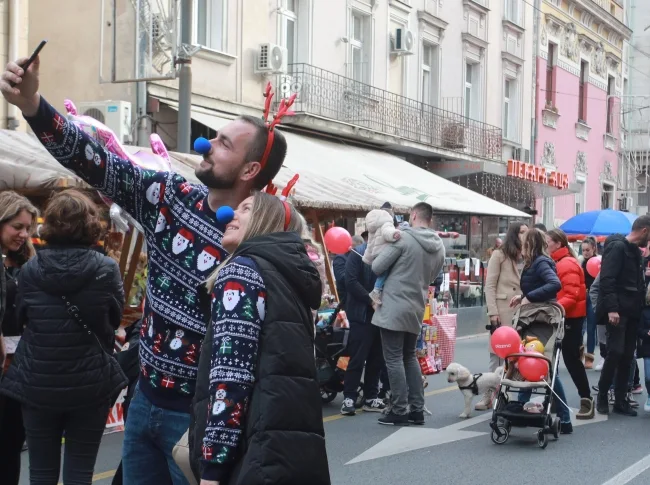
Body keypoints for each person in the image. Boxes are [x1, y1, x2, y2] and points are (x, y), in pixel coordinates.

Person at [0, 56, 288, 483]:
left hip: (196, 417)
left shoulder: (249, 240)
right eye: (216, 137)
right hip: (145, 401)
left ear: (250, 170)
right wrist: (32, 105)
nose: (208, 146)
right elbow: (93, 161)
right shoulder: (168, 195)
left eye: (225, 144)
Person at [190, 192, 330, 485]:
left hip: (252, 454)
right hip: (289, 450)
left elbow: (231, 377)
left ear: (266, 222)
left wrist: (212, 467)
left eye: (246, 209)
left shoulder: (241, 272)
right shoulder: (286, 276)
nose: (230, 215)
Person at [0, 190, 127, 485]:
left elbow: (21, 319)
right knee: (80, 474)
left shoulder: (30, 270)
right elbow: (114, 319)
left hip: (37, 381)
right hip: (90, 382)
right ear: (91, 225)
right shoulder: (106, 269)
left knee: (41, 473)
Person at [371, 202, 445, 426]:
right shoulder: (439, 246)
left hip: (394, 304)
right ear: (429, 219)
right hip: (416, 305)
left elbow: (377, 266)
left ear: (413, 215)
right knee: (409, 356)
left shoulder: (403, 238)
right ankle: (417, 409)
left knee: (393, 358)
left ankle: (400, 409)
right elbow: (433, 277)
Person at [510, 228, 573, 433]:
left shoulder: (541, 262)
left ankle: (564, 419)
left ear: (530, 244)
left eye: (524, 241)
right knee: (527, 362)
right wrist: (522, 297)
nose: (521, 245)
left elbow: (554, 284)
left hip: (543, 321)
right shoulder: (533, 263)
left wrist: (529, 298)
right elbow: (535, 286)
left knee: (545, 368)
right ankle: (520, 409)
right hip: (533, 317)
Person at [0, 191, 38, 485]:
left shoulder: (31, 265)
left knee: (10, 445)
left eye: (27, 228)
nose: (24, 234)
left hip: (18, 368)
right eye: (17, 226)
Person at [596, 215, 650, 417]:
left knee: (627, 356)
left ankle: (620, 399)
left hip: (632, 311)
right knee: (615, 352)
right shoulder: (617, 248)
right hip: (618, 311)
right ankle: (602, 394)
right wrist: (612, 309)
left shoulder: (635, 252)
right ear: (644, 230)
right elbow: (607, 279)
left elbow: (637, 283)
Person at [546, 229, 594, 419]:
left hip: (570, 318)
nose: (546, 245)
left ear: (558, 244)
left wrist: (553, 308)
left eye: (548, 241)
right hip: (563, 316)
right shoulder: (559, 262)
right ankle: (556, 400)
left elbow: (571, 295)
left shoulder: (566, 264)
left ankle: (586, 400)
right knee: (554, 359)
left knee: (571, 360)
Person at [482, 222, 528, 410]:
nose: (526, 235)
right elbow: (490, 285)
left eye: (527, 232)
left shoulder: (528, 256)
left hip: (522, 312)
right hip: (502, 311)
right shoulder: (499, 255)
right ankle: (488, 395)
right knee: (497, 356)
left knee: (518, 355)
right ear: (514, 234)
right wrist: (493, 312)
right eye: (522, 232)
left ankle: (509, 396)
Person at [340, 235, 388, 416]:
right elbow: (350, 282)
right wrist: (370, 300)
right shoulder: (357, 253)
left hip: (381, 312)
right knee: (358, 357)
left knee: (377, 357)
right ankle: (349, 398)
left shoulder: (388, 254)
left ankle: (370, 397)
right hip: (361, 313)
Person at [363, 208, 401, 305]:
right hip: (384, 252)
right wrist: (394, 234)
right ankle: (376, 291)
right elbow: (387, 232)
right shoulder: (386, 223)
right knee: (385, 273)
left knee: (381, 274)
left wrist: (367, 258)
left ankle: (377, 291)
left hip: (376, 254)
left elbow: (370, 245)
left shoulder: (373, 229)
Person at [581, 237, 599, 369]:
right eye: (583, 250)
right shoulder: (580, 262)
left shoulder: (599, 262)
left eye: (588, 249)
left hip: (593, 298)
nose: (585, 252)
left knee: (591, 328)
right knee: (580, 328)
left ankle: (590, 357)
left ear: (594, 248)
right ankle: (579, 353)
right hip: (582, 297)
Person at [332, 235, 364, 308]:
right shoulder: (340, 258)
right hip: (346, 297)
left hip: (360, 296)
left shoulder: (361, 257)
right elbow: (342, 277)